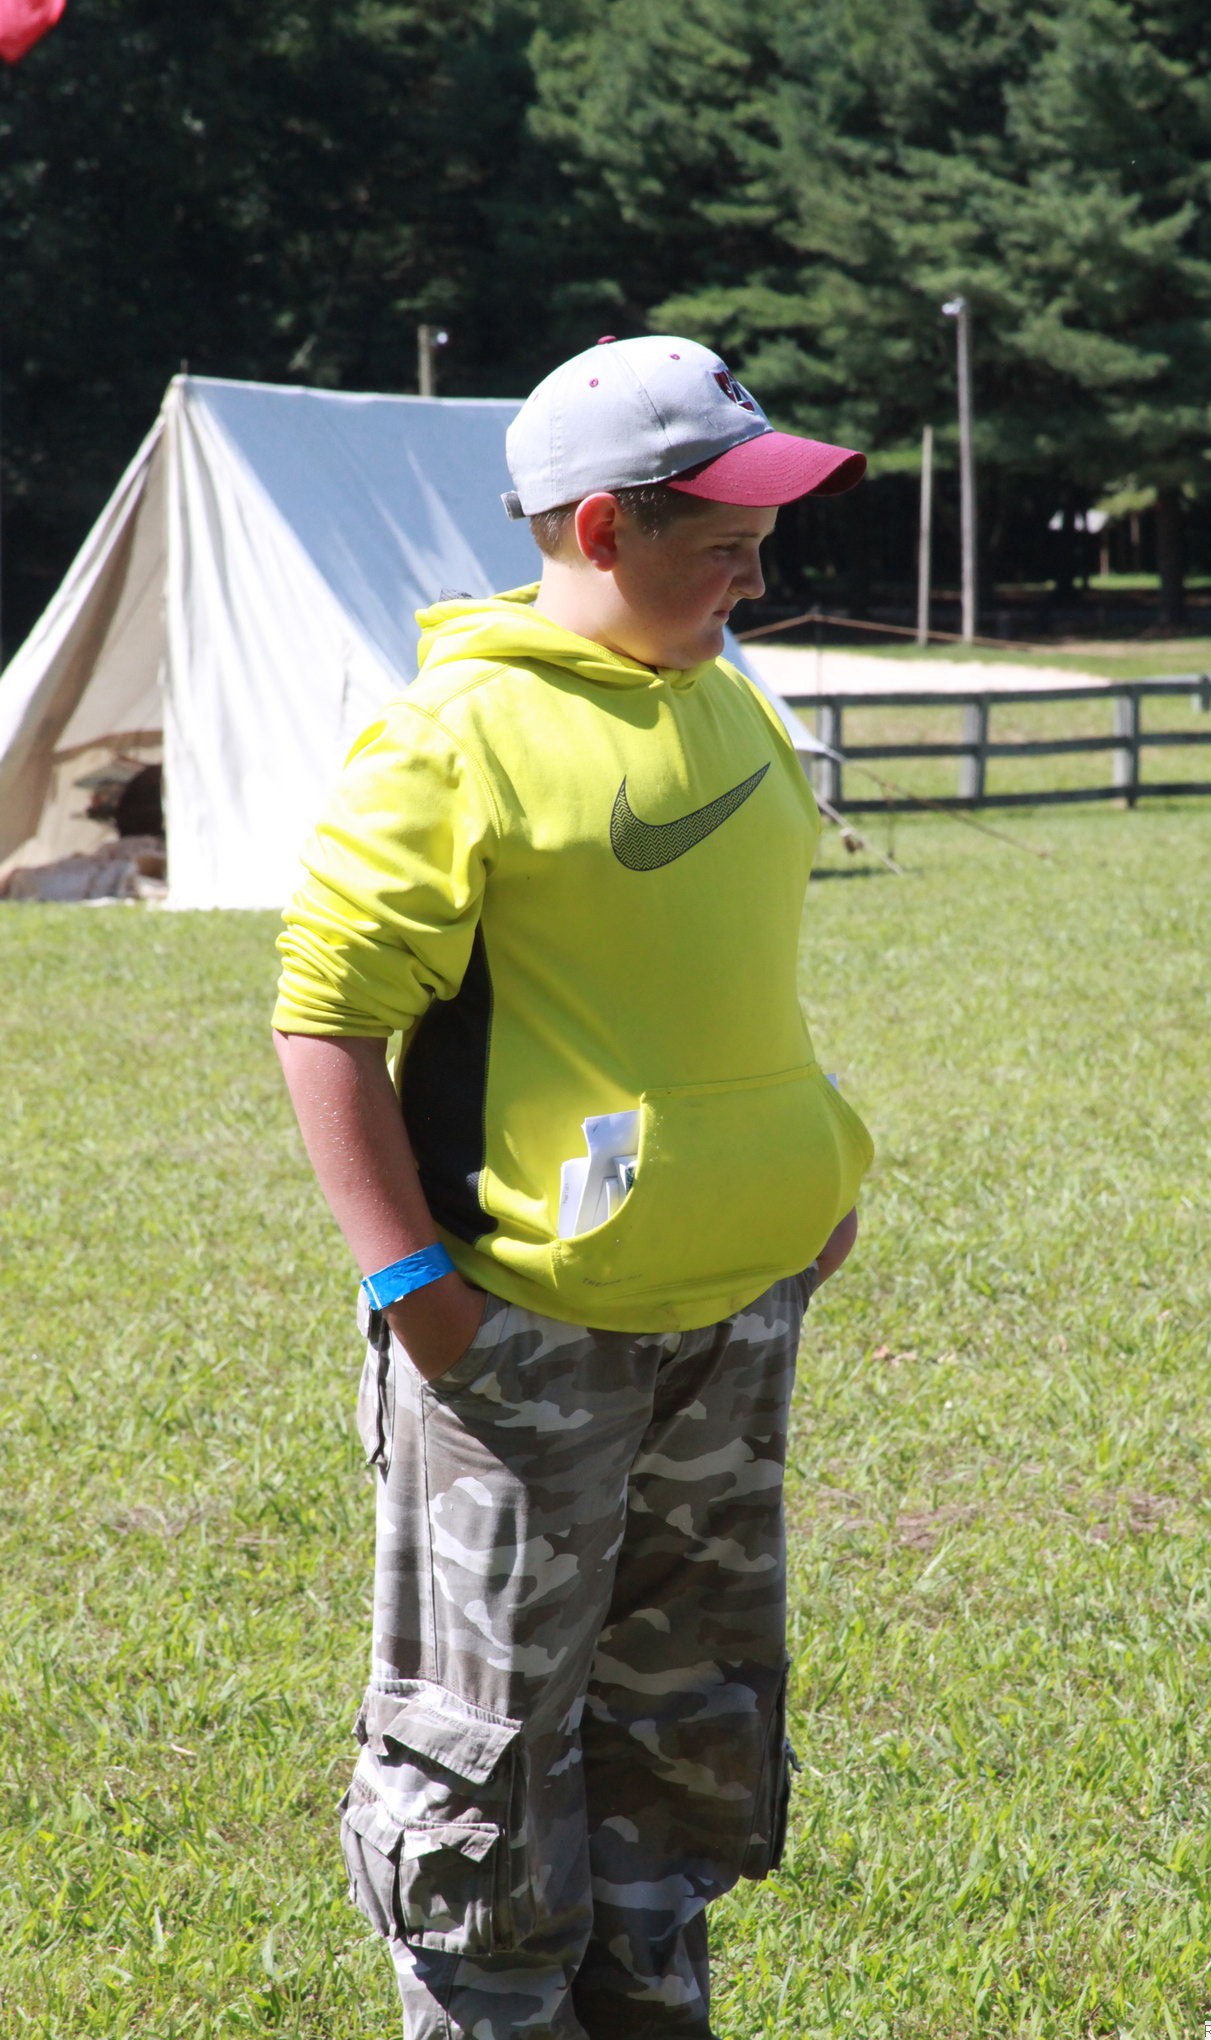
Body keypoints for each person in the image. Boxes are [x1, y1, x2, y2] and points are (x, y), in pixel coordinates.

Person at [271, 333, 874, 2040]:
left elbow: (714, 977)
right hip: (526, 1345)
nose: (756, 570)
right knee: (487, 1767)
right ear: (604, 528)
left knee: (680, 1739)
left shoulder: (725, 691)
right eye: (725, 539)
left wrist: (803, 1168)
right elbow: (324, 1019)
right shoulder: (452, 737)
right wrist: (417, 1290)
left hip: (733, 1323)